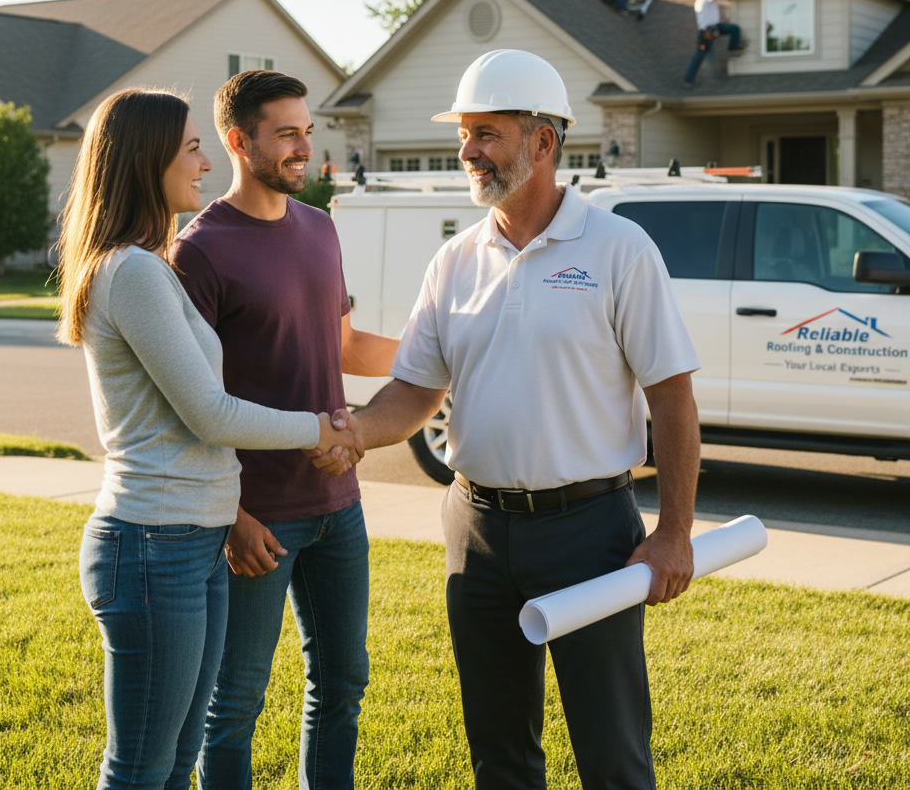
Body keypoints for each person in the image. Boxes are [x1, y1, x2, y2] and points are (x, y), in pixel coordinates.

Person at [328, 49, 703, 789]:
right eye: (465, 134)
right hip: (478, 533)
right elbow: (414, 391)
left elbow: (672, 398)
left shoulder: (619, 249)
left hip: (590, 533)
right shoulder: (455, 260)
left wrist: (674, 533)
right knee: (498, 751)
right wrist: (353, 435)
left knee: (612, 752)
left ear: (543, 142)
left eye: (487, 133)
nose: (467, 151)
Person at [56, 88, 357, 790]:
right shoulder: (130, 272)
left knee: (170, 763)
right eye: (191, 147)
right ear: (147, 157)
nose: (202, 161)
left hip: (191, 538)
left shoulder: (147, 265)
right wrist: (321, 427)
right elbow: (211, 414)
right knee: (140, 770)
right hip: (152, 545)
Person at [168, 70, 399, 790]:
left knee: (343, 685)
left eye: (308, 129)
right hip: (256, 518)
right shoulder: (199, 252)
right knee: (232, 704)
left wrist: (451, 354)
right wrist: (232, 518)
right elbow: (187, 404)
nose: (306, 146)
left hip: (340, 510)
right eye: (288, 133)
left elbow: (345, 348)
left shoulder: (320, 228)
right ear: (239, 142)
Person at [684, 0, 744, 86]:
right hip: (709, 32)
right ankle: (733, 49)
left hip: (710, 29)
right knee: (734, 29)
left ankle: (688, 80)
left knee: (734, 29)